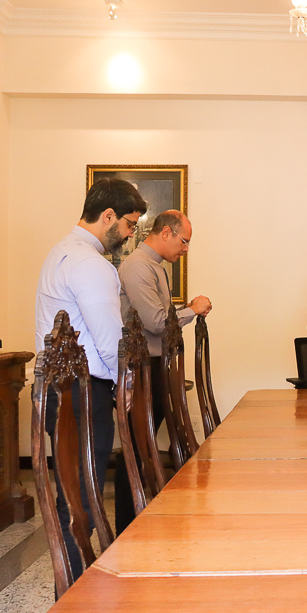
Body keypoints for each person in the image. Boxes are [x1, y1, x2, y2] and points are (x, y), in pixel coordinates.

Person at [35, 177, 147, 578]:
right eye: (130, 224)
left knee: (73, 495)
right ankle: (75, 589)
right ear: (109, 216)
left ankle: (70, 584)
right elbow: (110, 340)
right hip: (84, 394)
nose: (131, 234)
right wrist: (125, 387)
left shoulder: (59, 252)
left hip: (58, 390)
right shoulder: (91, 264)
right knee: (81, 499)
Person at [115, 209, 212, 534]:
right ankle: (127, 525)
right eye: (184, 241)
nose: (185, 249)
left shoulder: (155, 266)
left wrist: (183, 311)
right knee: (137, 446)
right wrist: (191, 310)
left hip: (155, 365)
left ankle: (141, 516)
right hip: (142, 368)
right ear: (166, 233)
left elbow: (162, 318)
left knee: (145, 444)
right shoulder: (139, 266)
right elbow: (157, 323)